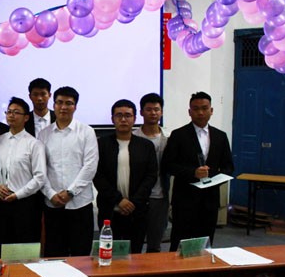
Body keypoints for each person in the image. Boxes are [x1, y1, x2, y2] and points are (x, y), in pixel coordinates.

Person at [161, 92, 234, 251]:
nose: (200, 112)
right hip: (185, 198)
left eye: (204, 108)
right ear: (189, 112)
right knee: (179, 243)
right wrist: (193, 173)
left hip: (210, 199)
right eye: (195, 109)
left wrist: (213, 178)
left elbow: (229, 167)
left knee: (205, 243)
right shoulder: (178, 135)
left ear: (211, 110)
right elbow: (168, 165)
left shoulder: (221, 136)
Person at [38, 86, 98, 257]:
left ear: (75, 107)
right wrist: (51, 194)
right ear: (54, 105)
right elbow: (40, 169)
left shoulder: (87, 132)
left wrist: (71, 192)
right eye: (59, 103)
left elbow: (90, 166)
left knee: (81, 254)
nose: (63, 107)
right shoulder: (43, 134)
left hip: (80, 203)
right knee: (55, 254)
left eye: (68, 103)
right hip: (53, 203)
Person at [94, 99, 157, 254]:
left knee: (134, 254)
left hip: (137, 210)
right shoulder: (101, 144)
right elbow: (97, 175)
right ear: (112, 119)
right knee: (109, 252)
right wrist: (119, 200)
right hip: (109, 210)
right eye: (119, 115)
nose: (123, 119)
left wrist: (133, 202)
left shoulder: (146, 146)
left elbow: (151, 176)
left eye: (128, 115)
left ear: (134, 119)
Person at [0, 97, 46, 258]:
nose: (11, 115)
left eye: (16, 112)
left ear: (26, 117)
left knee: (25, 250)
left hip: (26, 204)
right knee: (2, 247)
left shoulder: (34, 144)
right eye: (9, 112)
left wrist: (18, 194)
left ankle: (25, 275)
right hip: (1, 202)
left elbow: (40, 177)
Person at [133, 93, 170, 253]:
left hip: (160, 195)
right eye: (148, 109)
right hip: (136, 196)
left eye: (156, 109)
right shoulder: (132, 137)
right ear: (141, 112)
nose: (153, 113)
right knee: (134, 241)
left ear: (161, 112)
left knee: (155, 243)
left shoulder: (169, 137)